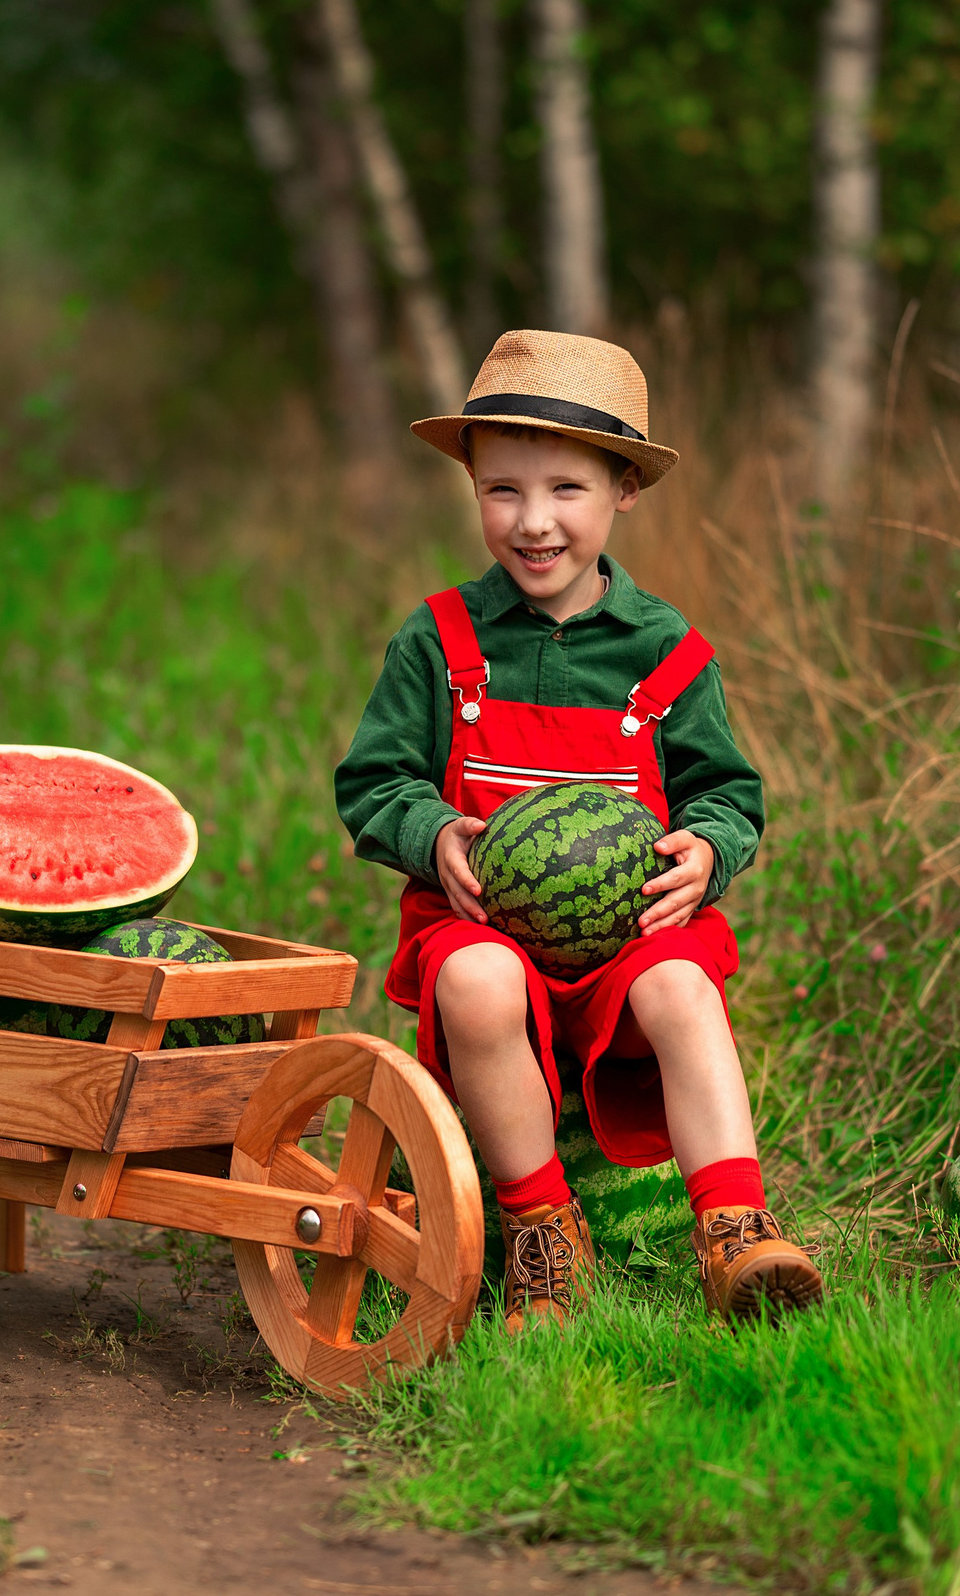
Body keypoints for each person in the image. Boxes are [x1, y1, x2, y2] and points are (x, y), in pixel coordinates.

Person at [335, 330, 825, 1332]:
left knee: (685, 984)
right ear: (473, 487)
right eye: (503, 490)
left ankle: (735, 1225)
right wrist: (431, 833)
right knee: (475, 976)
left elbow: (723, 791)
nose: (533, 521)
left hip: (626, 940)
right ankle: (541, 1229)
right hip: (486, 930)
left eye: (566, 489)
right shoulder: (440, 638)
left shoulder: (667, 651)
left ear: (623, 490)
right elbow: (373, 779)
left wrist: (706, 850)